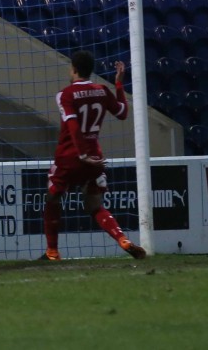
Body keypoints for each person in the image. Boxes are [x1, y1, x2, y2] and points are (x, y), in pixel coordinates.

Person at [40, 50, 146, 261]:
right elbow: (123, 113)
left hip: (70, 157)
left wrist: (81, 153)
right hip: (95, 158)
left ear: (74, 69)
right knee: (95, 206)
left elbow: (72, 124)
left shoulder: (66, 94)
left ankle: (52, 252)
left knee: (52, 199)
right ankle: (122, 239)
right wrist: (118, 84)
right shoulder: (102, 90)